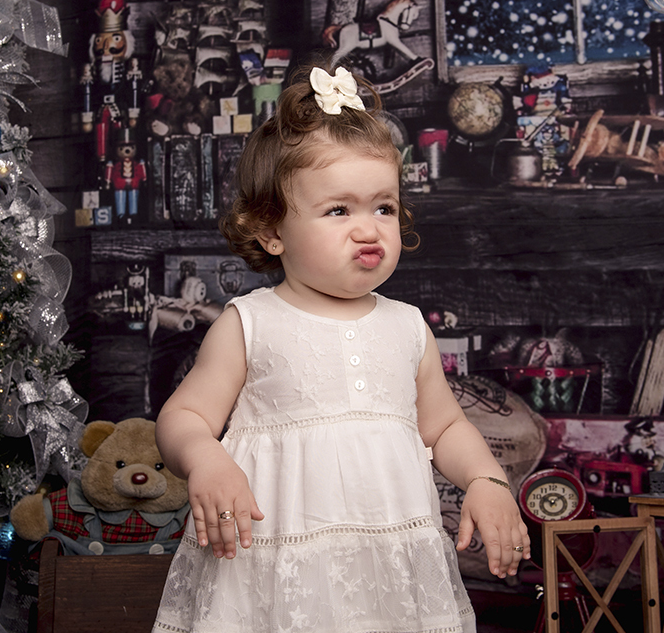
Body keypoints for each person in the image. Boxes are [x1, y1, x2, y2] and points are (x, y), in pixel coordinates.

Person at [152, 57, 530, 632]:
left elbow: (446, 428)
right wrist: (206, 459)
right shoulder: (251, 322)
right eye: (338, 210)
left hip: (388, 572)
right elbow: (183, 415)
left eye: (383, 206)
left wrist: (486, 480)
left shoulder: (406, 327)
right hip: (275, 570)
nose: (368, 227)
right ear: (272, 230)